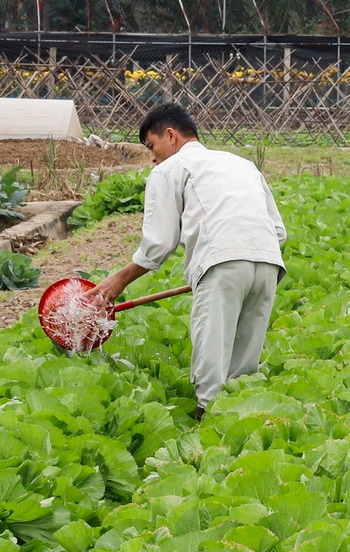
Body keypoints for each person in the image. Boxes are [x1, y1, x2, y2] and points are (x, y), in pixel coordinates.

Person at [95, 103, 286, 416]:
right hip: (267, 262)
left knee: (212, 358)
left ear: (170, 135)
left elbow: (159, 242)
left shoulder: (169, 170)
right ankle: (243, 428)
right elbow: (278, 231)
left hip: (222, 264)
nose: (152, 157)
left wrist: (118, 280)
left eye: (151, 146)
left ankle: (206, 425)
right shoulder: (242, 164)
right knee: (244, 363)